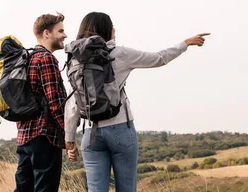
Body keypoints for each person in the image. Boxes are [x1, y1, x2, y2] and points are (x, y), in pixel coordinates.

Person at [64, 11, 209, 192]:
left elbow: (72, 103)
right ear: (105, 29)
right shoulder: (120, 53)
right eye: (112, 26)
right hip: (120, 129)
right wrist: (185, 43)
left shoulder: (75, 59)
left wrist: (69, 138)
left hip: (90, 134)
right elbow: (159, 58)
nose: (115, 29)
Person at [14, 12, 68, 192]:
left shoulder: (28, 58)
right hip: (45, 137)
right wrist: (68, 136)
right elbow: (55, 102)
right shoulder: (46, 59)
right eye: (60, 31)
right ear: (47, 33)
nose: (65, 35)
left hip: (24, 138)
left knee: (23, 189)